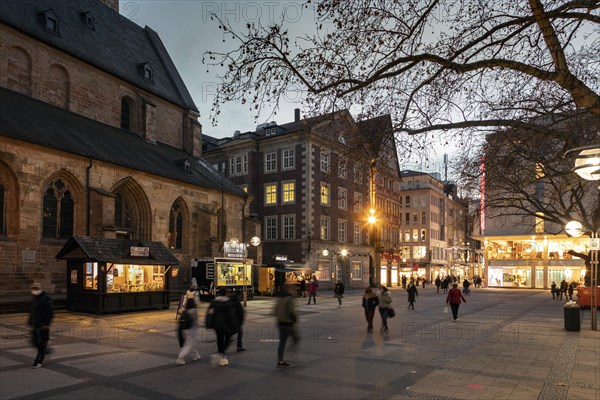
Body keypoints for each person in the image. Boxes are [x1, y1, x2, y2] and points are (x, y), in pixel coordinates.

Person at [208, 287, 239, 367]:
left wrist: (209, 323)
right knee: (229, 338)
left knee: (220, 340)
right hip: (225, 324)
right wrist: (235, 325)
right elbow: (231, 315)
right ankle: (220, 354)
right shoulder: (228, 302)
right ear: (226, 293)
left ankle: (222, 358)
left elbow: (209, 313)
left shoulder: (214, 302)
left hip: (216, 324)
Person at [28, 283, 54, 368]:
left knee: (41, 343)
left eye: (36, 289)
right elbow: (32, 310)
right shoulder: (34, 297)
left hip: (43, 325)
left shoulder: (46, 298)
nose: (34, 291)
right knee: (34, 341)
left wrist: (46, 323)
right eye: (33, 289)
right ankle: (46, 350)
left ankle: (38, 361)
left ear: (40, 288)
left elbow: (50, 312)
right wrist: (29, 321)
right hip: (35, 324)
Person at [274, 283, 299, 368]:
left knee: (282, 341)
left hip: (280, 323)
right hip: (288, 324)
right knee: (296, 338)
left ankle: (280, 361)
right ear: (288, 289)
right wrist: (295, 319)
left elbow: (275, 310)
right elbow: (291, 311)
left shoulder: (279, 298)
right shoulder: (289, 299)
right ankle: (290, 352)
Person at [176, 298, 201, 365]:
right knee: (188, 344)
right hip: (191, 329)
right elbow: (196, 320)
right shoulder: (193, 310)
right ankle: (180, 358)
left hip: (184, 329)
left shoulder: (185, 310)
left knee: (191, 342)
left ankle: (196, 355)